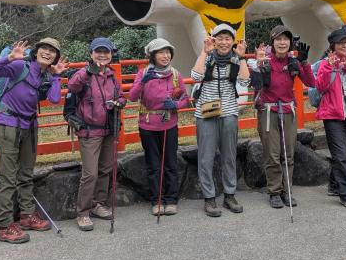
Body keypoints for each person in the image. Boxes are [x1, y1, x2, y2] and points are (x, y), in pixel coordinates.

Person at [0, 38, 68, 244]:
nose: (47, 52)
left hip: (29, 125)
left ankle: (27, 215)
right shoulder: (20, 66)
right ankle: (5, 226)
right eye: (44, 48)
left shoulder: (45, 75)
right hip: (7, 122)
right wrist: (9, 58)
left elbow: (54, 99)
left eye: (52, 51)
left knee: (26, 174)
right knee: (7, 177)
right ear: (36, 52)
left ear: (55, 58)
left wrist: (56, 76)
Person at [250, 25, 315, 209]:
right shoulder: (265, 60)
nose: (282, 42)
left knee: (288, 154)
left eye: (285, 39)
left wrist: (304, 62)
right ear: (272, 42)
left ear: (290, 42)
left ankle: (287, 191)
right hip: (268, 111)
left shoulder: (293, 62)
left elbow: (311, 82)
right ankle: (274, 192)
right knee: (272, 154)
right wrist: (258, 66)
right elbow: (255, 85)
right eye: (278, 39)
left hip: (287, 111)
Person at [192, 24, 251, 217]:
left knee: (229, 155)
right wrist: (204, 52)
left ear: (233, 41)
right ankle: (209, 198)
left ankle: (229, 195)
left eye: (227, 38)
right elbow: (196, 76)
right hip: (206, 112)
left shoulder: (235, 59)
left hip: (229, 111)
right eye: (220, 38)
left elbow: (245, 81)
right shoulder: (208, 56)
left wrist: (242, 57)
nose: (224, 42)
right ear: (213, 40)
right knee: (206, 157)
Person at [67, 37, 126, 231]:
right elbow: (73, 86)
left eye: (106, 52)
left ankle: (98, 203)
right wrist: (88, 71)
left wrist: (119, 103)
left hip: (108, 129)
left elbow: (121, 96)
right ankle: (83, 212)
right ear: (91, 54)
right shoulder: (83, 73)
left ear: (110, 54)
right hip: (89, 131)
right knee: (90, 173)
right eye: (98, 51)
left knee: (106, 169)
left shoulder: (111, 75)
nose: (102, 55)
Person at [128, 38, 190, 216]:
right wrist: (143, 82)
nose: (165, 56)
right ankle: (157, 200)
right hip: (148, 125)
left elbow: (185, 99)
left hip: (169, 124)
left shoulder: (175, 74)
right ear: (152, 56)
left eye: (168, 52)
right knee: (153, 165)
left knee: (170, 163)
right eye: (161, 52)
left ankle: (171, 200)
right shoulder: (143, 73)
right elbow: (132, 97)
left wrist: (175, 105)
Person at [315, 27, 346, 209]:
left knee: (345, 154)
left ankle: (334, 184)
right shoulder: (325, 63)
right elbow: (320, 86)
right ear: (333, 46)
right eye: (341, 43)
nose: (345, 45)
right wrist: (329, 67)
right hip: (332, 115)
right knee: (341, 155)